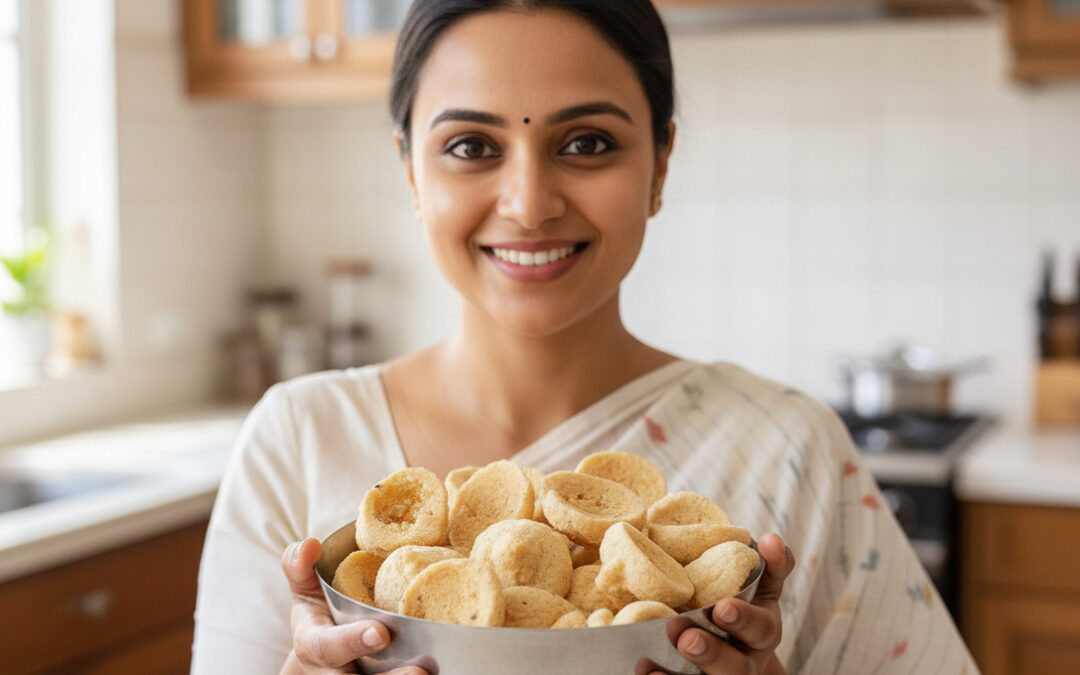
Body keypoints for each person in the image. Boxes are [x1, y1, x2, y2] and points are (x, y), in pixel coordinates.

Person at [191, 1, 979, 673]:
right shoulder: (298, 440)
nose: (530, 203)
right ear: (410, 173)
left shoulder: (787, 448)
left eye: (587, 143)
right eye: (471, 146)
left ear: (660, 164)